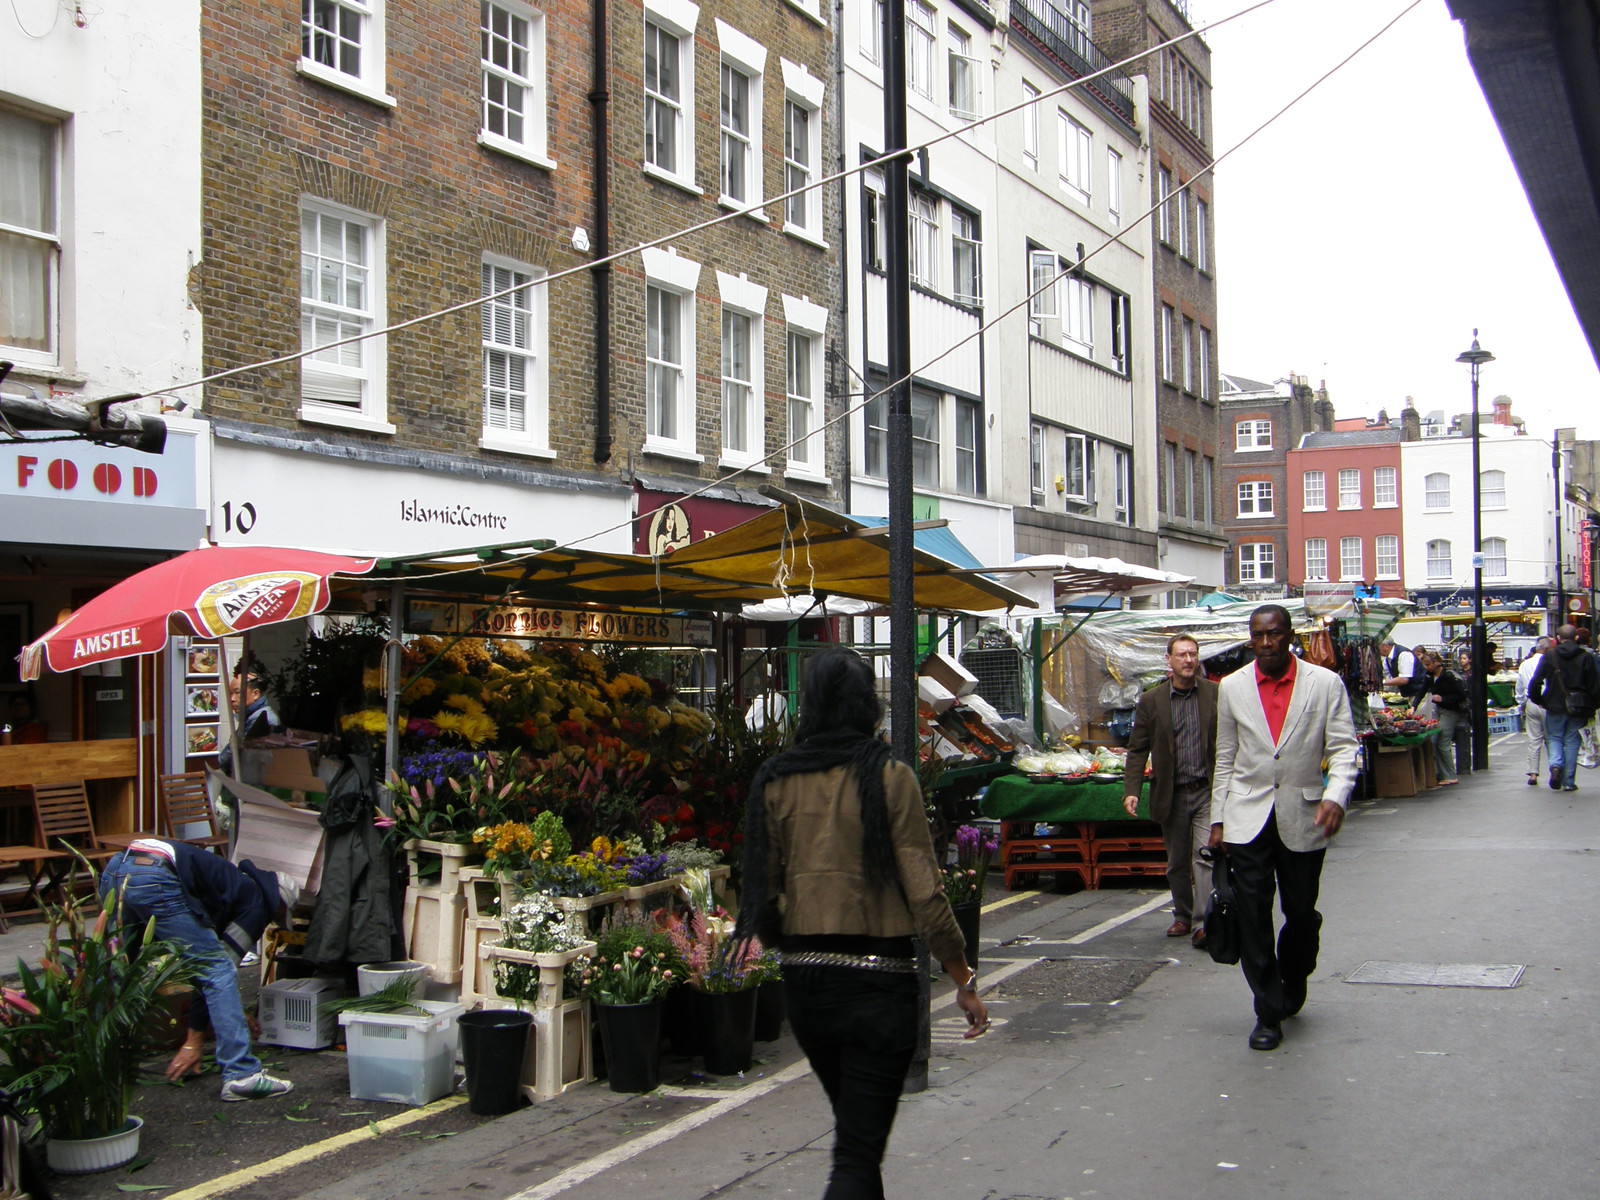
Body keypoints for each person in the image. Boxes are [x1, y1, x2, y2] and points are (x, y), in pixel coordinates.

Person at [735, 647, 987, 1199]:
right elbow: (925, 889)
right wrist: (962, 978)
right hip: (881, 986)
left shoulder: (776, 780)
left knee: (858, 1143)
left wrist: (789, 942)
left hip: (808, 988)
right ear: (865, 705)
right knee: (856, 1151)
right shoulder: (890, 776)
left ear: (812, 706)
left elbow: (761, 888)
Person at [1208, 605, 1358, 1053]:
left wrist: (1335, 796)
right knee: (1253, 917)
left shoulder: (1324, 683)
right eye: (1258, 635)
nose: (1267, 642)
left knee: (1300, 914)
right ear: (1250, 639)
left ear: (1289, 635)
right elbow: (1226, 757)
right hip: (1247, 817)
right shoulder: (1232, 687)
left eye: (1274, 634)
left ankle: (1295, 976)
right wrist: (1218, 819)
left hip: (1305, 814)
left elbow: (1345, 749)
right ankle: (1267, 1010)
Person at [99, 838, 297, 1101]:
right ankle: (241, 1073)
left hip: (118, 866)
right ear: (278, 904)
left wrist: (230, 1011)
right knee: (219, 971)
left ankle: (98, 1065)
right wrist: (194, 1042)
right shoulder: (257, 905)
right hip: (156, 874)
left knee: (118, 970)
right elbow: (214, 974)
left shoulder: (229, 884)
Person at [1122, 633, 1218, 949]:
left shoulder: (1215, 694)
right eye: (1181, 655)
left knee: (1204, 856)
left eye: (1192, 654)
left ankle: (1205, 923)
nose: (1188, 660)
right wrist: (1131, 789)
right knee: (1177, 861)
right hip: (1172, 792)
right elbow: (1137, 749)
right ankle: (1183, 914)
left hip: (1206, 789)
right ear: (1169, 660)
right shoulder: (1153, 701)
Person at [1529, 624, 1600, 792]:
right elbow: (1594, 684)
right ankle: (1568, 781)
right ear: (1576, 638)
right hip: (1579, 706)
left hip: (1554, 704)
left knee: (1554, 738)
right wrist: (1594, 705)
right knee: (1572, 741)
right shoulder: (1585, 656)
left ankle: (1555, 765)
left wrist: (1539, 700)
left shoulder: (1550, 656)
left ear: (1558, 638)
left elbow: (1536, 681)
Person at [218, 665, 281, 772]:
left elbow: (226, 761)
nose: (232, 699)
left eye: (237, 692)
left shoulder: (262, 719)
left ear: (255, 694)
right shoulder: (252, 717)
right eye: (230, 694)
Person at [1422, 651, 1468, 788]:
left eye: (1428, 664)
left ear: (1437, 662)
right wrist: (1413, 707)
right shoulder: (1430, 676)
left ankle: (1450, 775)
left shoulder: (1448, 676)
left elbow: (1461, 695)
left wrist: (1443, 699)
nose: (1426, 667)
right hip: (1439, 710)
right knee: (1435, 740)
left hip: (1450, 710)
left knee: (1443, 740)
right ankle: (1442, 774)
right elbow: (1422, 690)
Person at [1517, 637, 1553, 786]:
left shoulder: (1525, 664)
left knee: (1534, 740)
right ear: (1546, 650)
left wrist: (1521, 703)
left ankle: (1533, 774)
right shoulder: (1551, 662)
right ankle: (1555, 769)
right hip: (1548, 703)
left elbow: (1519, 686)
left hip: (1531, 702)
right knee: (1552, 739)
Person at [1380, 640, 1427, 705]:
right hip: (1410, 694)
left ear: (1385, 646)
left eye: (1377, 647)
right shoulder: (1388, 659)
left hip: (1419, 694)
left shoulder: (1404, 654)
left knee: (1418, 714)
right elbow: (1386, 675)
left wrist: (1381, 682)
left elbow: (1403, 679)